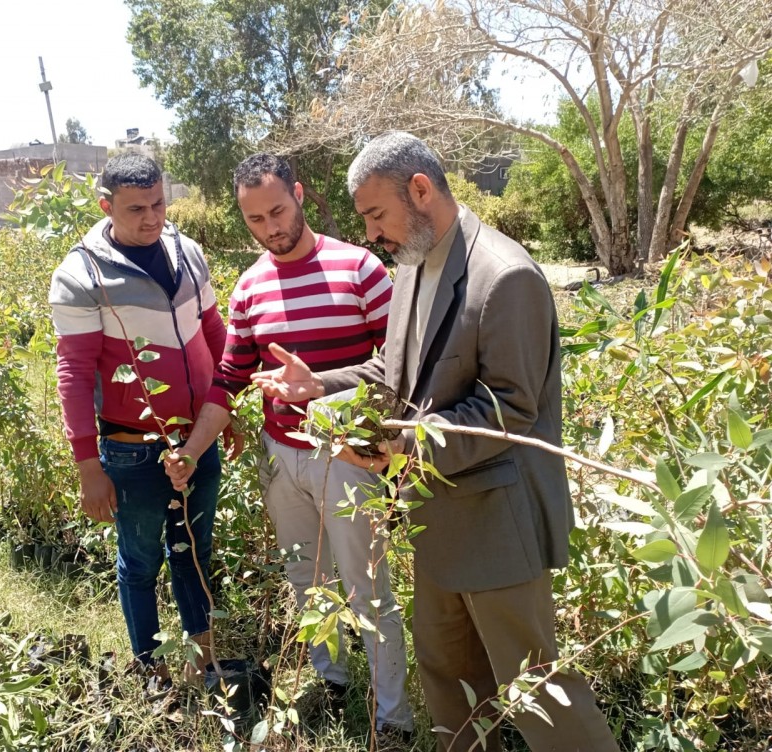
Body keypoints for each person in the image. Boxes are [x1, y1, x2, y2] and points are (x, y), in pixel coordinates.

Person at [250, 133, 620, 752]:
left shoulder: (505, 276)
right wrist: (319, 384)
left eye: (376, 214)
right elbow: (395, 374)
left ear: (420, 190)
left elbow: (507, 408)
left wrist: (402, 451)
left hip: (497, 526)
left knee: (540, 700)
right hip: (437, 520)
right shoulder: (417, 263)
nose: (371, 233)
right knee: (449, 682)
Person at [164, 153, 415, 742]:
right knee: (307, 580)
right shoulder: (250, 286)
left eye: (277, 210)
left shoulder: (359, 269)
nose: (271, 227)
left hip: (349, 456)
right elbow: (227, 379)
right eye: (255, 219)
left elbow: (401, 367)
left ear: (299, 195)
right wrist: (194, 449)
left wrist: (381, 443)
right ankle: (333, 683)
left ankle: (394, 720)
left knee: (368, 587)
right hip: (282, 455)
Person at [49, 153, 235, 690]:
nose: (152, 218)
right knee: (141, 558)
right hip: (133, 450)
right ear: (106, 206)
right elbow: (76, 373)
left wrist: (227, 410)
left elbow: (213, 332)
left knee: (195, 550)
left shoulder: (187, 252)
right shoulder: (82, 274)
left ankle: (203, 663)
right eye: (136, 209)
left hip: (198, 437)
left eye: (158, 203)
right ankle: (150, 667)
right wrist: (88, 464)